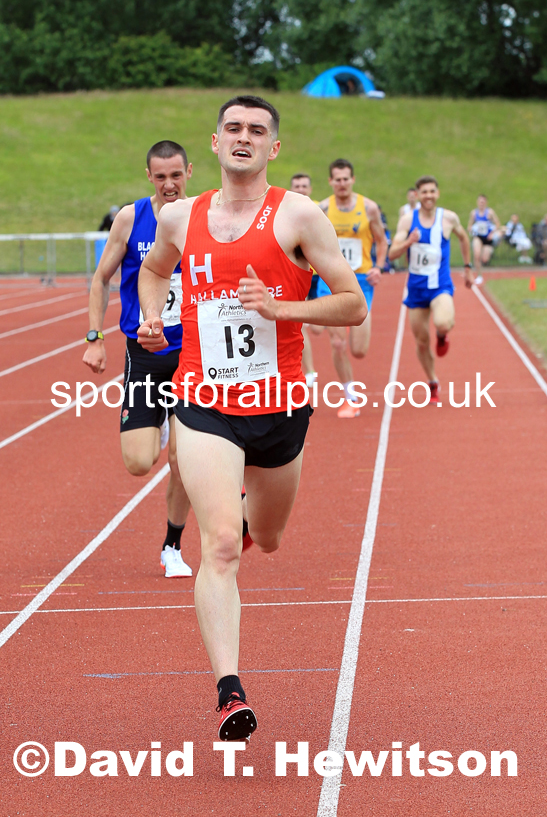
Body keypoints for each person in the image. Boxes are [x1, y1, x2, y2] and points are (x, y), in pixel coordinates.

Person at [137, 95, 367, 742]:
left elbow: (351, 305)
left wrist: (281, 310)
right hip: (204, 403)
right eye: (233, 128)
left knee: (264, 537)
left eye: (256, 130)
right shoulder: (182, 217)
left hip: (280, 410)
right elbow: (154, 273)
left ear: (274, 148)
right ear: (214, 143)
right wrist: (154, 317)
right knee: (218, 546)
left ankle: (243, 524)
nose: (244, 137)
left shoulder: (298, 215)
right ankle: (229, 690)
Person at [83, 141, 193, 578]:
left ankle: (172, 546)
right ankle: (161, 425)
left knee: (185, 462)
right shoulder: (130, 218)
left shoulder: (205, 216)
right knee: (138, 464)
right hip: (143, 355)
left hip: (193, 357)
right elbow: (100, 279)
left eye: (176, 175)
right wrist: (95, 337)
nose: (169, 184)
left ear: (189, 171)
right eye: (161, 176)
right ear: (149, 176)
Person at [389, 175, 475, 402]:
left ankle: (442, 334)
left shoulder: (448, 218)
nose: (428, 195)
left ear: (437, 193)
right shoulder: (408, 221)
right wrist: (408, 242)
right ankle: (432, 381)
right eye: (424, 192)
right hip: (416, 289)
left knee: (443, 322)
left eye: (432, 191)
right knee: (420, 341)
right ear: (417, 195)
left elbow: (464, 239)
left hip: (440, 286)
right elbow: (392, 253)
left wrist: (467, 268)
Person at [314, 158, 388, 418]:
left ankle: (350, 392)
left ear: (352, 180)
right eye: (337, 179)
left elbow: (381, 240)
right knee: (337, 344)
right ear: (330, 181)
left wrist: (379, 266)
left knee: (358, 350)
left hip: (361, 282)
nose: (342, 183)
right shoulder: (322, 208)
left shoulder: (369, 208)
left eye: (346, 178)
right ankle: (349, 397)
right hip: (330, 283)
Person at [290, 172, 318, 387]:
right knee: (302, 326)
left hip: (322, 277)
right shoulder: (287, 213)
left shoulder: (319, 211)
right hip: (302, 278)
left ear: (310, 189)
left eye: (304, 186)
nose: (300, 189)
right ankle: (309, 371)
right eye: (296, 186)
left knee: (317, 327)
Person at [467, 194, 502, 284]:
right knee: (476, 255)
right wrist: (472, 230)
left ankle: (488, 252)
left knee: (485, 259)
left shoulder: (490, 212)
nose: (481, 203)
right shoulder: (474, 213)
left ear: (486, 203)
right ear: (477, 202)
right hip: (478, 236)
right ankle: (479, 275)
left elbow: (498, 223)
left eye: (483, 202)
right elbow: (469, 226)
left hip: (488, 237)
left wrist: (492, 233)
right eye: (480, 202)